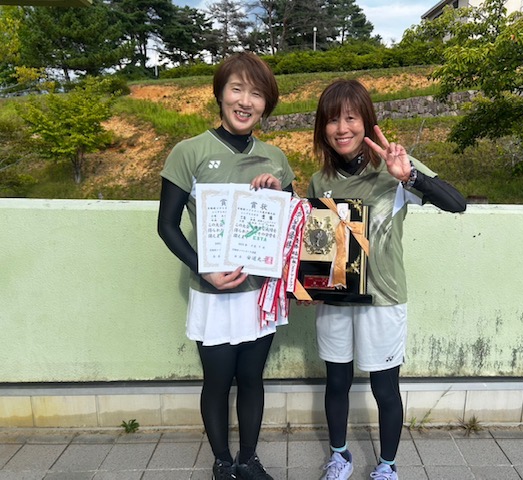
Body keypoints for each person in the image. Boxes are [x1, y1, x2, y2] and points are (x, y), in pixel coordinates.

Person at [308, 79, 466, 480]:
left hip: (384, 298)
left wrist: (410, 177)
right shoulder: (320, 181)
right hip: (336, 299)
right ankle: (340, 456)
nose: (341, 128)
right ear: (322, 128)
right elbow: (317, 244)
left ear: (366, 121)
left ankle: (387, 466)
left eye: (350, 118)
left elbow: (457, 204)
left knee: (384, 386)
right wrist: (308, 283)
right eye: (332, 120)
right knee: (337, 381)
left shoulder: (394, 168)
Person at [157, 52, 295, 480]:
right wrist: (204, 270)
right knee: (217, 382)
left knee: (252, 379)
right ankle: (222, 461)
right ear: (220, 94)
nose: (245, 101)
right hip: (213, 293)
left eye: (256, 94)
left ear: (266, 105)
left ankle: (248, 460)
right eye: (237, 89)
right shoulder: (189, 152)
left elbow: (291, 227)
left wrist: (278, 194)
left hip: (260, 293)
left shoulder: (275, 157)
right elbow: (166, 226)